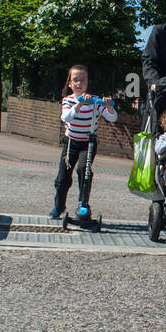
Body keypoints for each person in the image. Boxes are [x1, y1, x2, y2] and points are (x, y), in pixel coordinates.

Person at [51, 65, 116, 219]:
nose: (79, 83)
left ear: (88, 83)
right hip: (71, 143)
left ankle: (83, 206)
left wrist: (109, 107)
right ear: (70, 84)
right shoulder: (68, 100)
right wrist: (79, 104)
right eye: (75, 80)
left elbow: (112, 118)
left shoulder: (95, 101)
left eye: (83, 80)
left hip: (88, 143)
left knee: (83, 171)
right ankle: (58, 206)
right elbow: (66, 117)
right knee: (62, 177)